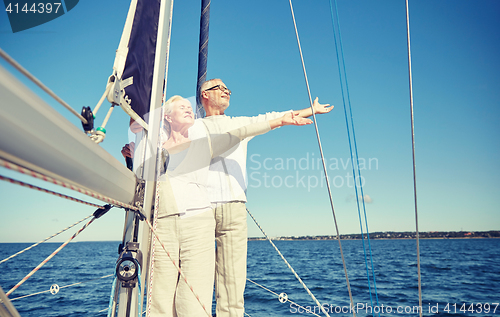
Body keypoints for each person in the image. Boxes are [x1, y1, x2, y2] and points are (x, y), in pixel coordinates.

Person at [140, 95, 312, 316]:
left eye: (190, 107)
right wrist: (131, 157)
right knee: (159, 300)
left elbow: (241, 132)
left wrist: (280, 120)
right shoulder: (152, 149)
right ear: (167, 116)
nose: (189, 109)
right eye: (181, 107)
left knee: (192, 302)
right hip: (162, 223)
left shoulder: (204, 143)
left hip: (198, 224)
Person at [198, 78, 333, 317]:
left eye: (228, 88)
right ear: (204, 95)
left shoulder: (241, 123)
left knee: (233, 283)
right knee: (196, 278)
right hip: (199, 210)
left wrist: (311, 110)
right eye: (220, 88)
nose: (227, 90)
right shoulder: (193, 128)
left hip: (234, 209)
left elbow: (277, 117)